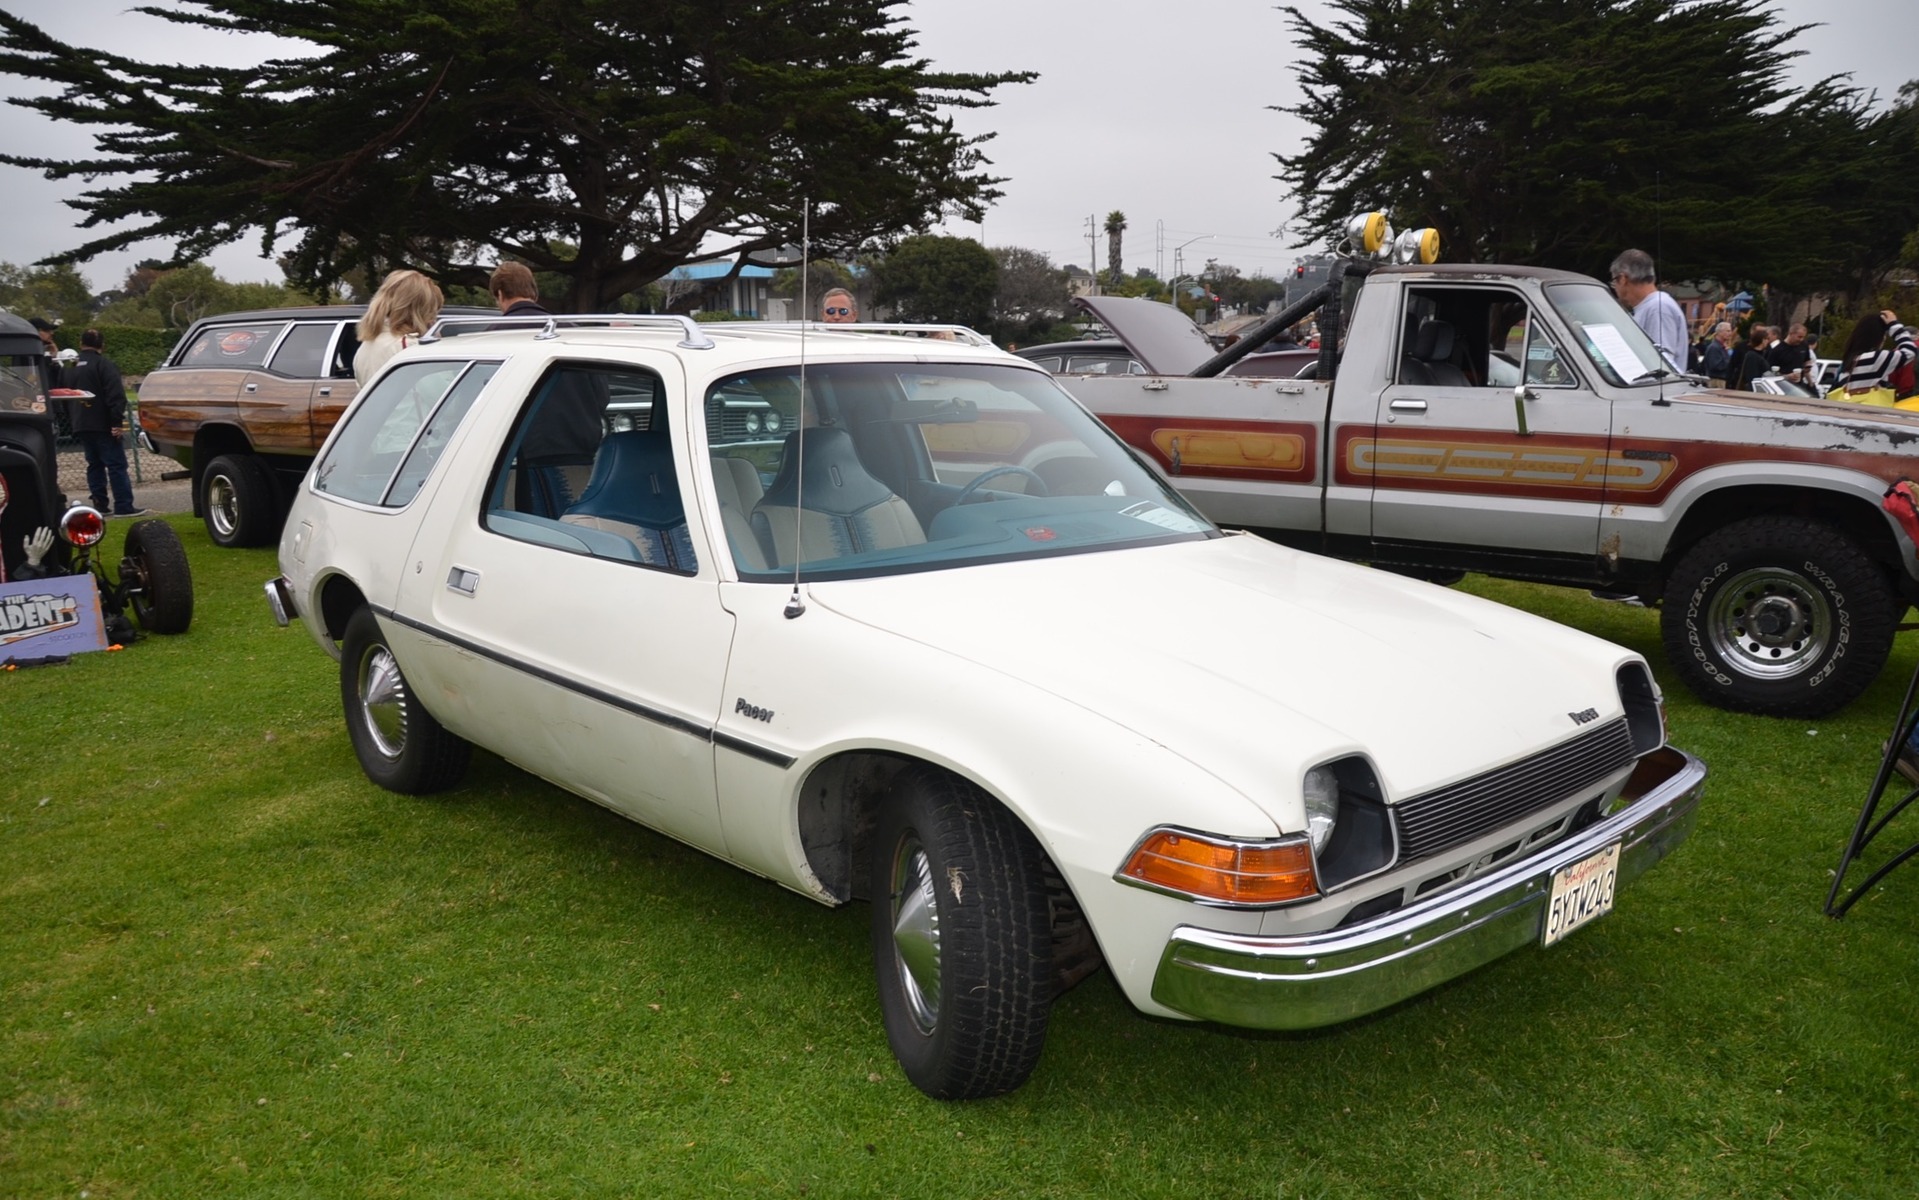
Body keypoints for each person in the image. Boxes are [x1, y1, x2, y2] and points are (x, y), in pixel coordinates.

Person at [65, 328, 143, 516]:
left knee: (94, 464)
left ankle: (100, 503)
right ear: (102, 345)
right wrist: (116, 423)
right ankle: (123, 506)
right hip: (103, 423)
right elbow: (115, 395)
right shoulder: (104, 365)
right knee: (116, 465)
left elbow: (64, 395)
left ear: (81, 343)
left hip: (81, 422)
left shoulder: (71, 367)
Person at [354, 269, 444, 386]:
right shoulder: (409, 347)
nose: (433, 319)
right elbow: (442, 391)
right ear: (418, 311)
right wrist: (437, 347)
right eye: (431, 311)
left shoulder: (366, 346)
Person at [1608, 249, 1687, 372]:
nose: (1615, 288)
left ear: (1623, 279)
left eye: (1614, 282)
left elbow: (1662, 366)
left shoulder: (1658, 308)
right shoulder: (1652, 306)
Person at [1831, 310, 1916, 401]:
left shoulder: (1849, 361)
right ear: (1879, 336)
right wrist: (1894, 326)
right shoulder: (1875, 359)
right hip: (1870, 408)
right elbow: (1909, 351)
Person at [1727, 326, 1771, 391]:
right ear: (1762, 340)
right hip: (1753, 389)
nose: (1768, 341)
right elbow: (1752, 376)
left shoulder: (1764, 353)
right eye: (1767, 339)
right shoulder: (1752, 355)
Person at [1702, 322, 1736, 387]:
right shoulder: (1714, 348)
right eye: (1728, 331)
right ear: (1720, 332)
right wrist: (1730, 357)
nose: (1730, 333)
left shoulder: (1723, 347)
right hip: (1716, 381)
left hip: (1722, 380)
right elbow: (1717, 366)